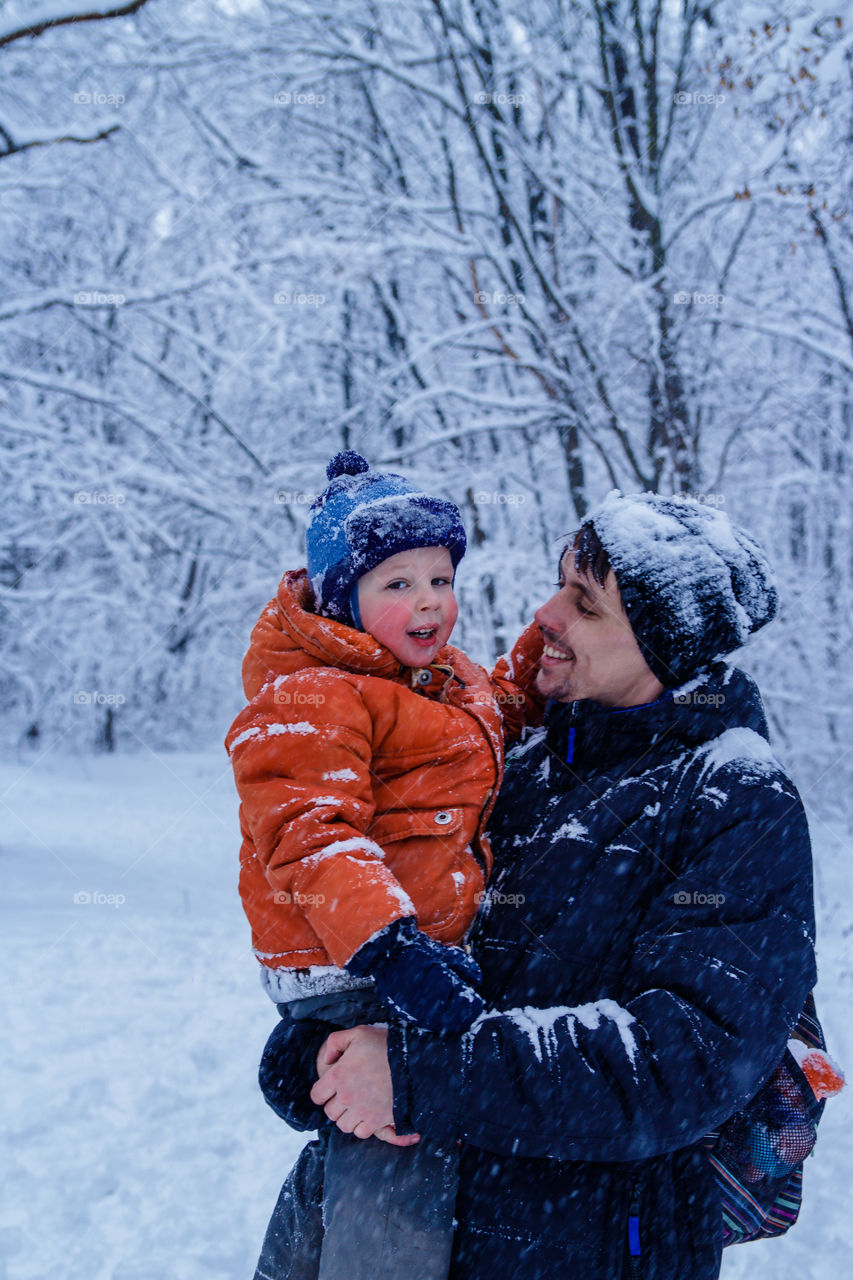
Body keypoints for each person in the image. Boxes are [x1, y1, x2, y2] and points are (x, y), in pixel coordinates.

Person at [273, 490, 819, 1280]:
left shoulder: (731, 798)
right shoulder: (518, 765)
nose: (545, 614)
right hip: (390, 1224)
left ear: (660, 648)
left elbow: (680, 1063)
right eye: (559, 583)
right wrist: (318, 1057)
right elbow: (408, 948)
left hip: (587, 1251)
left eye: (583, 602)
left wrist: (414, 1076)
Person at [225, 450, 540, 1280]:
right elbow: (310, 833)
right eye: (396, 584)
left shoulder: (440, 679)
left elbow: (504, 706)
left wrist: (559, 636)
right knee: (396, 1134)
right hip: (350, 962)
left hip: (399, 955)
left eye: (439, 577)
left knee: (358, 1142)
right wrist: (393, 949)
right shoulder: (313, 695)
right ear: (343, 598)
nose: (428, 600)